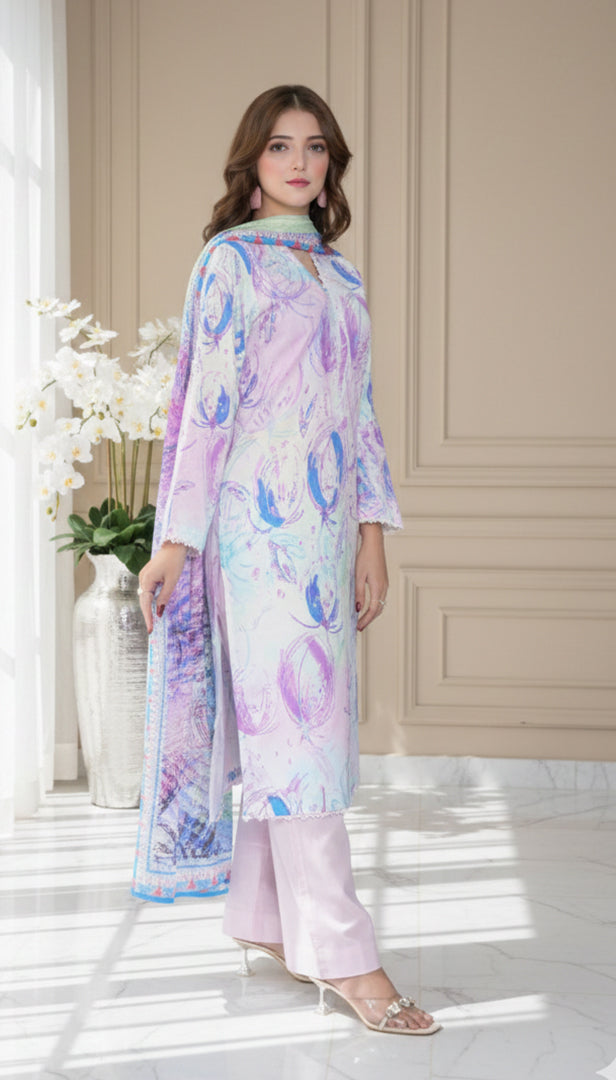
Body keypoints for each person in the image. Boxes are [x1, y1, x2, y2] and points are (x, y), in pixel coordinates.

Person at [132, 85, 441, 1036]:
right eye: (279, 146)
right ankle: (348, 955)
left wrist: (372, 536)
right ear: (252, 162)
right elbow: (207, 407)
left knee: (304, 735)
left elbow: (360, 414)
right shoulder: (230, 263)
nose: (299, 162)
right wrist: (177, 542)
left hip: (325, 532)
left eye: (314, 147)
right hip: (255, 540)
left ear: (331, 163)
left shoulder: (338, 276)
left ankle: (265, 918)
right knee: (301, 737)